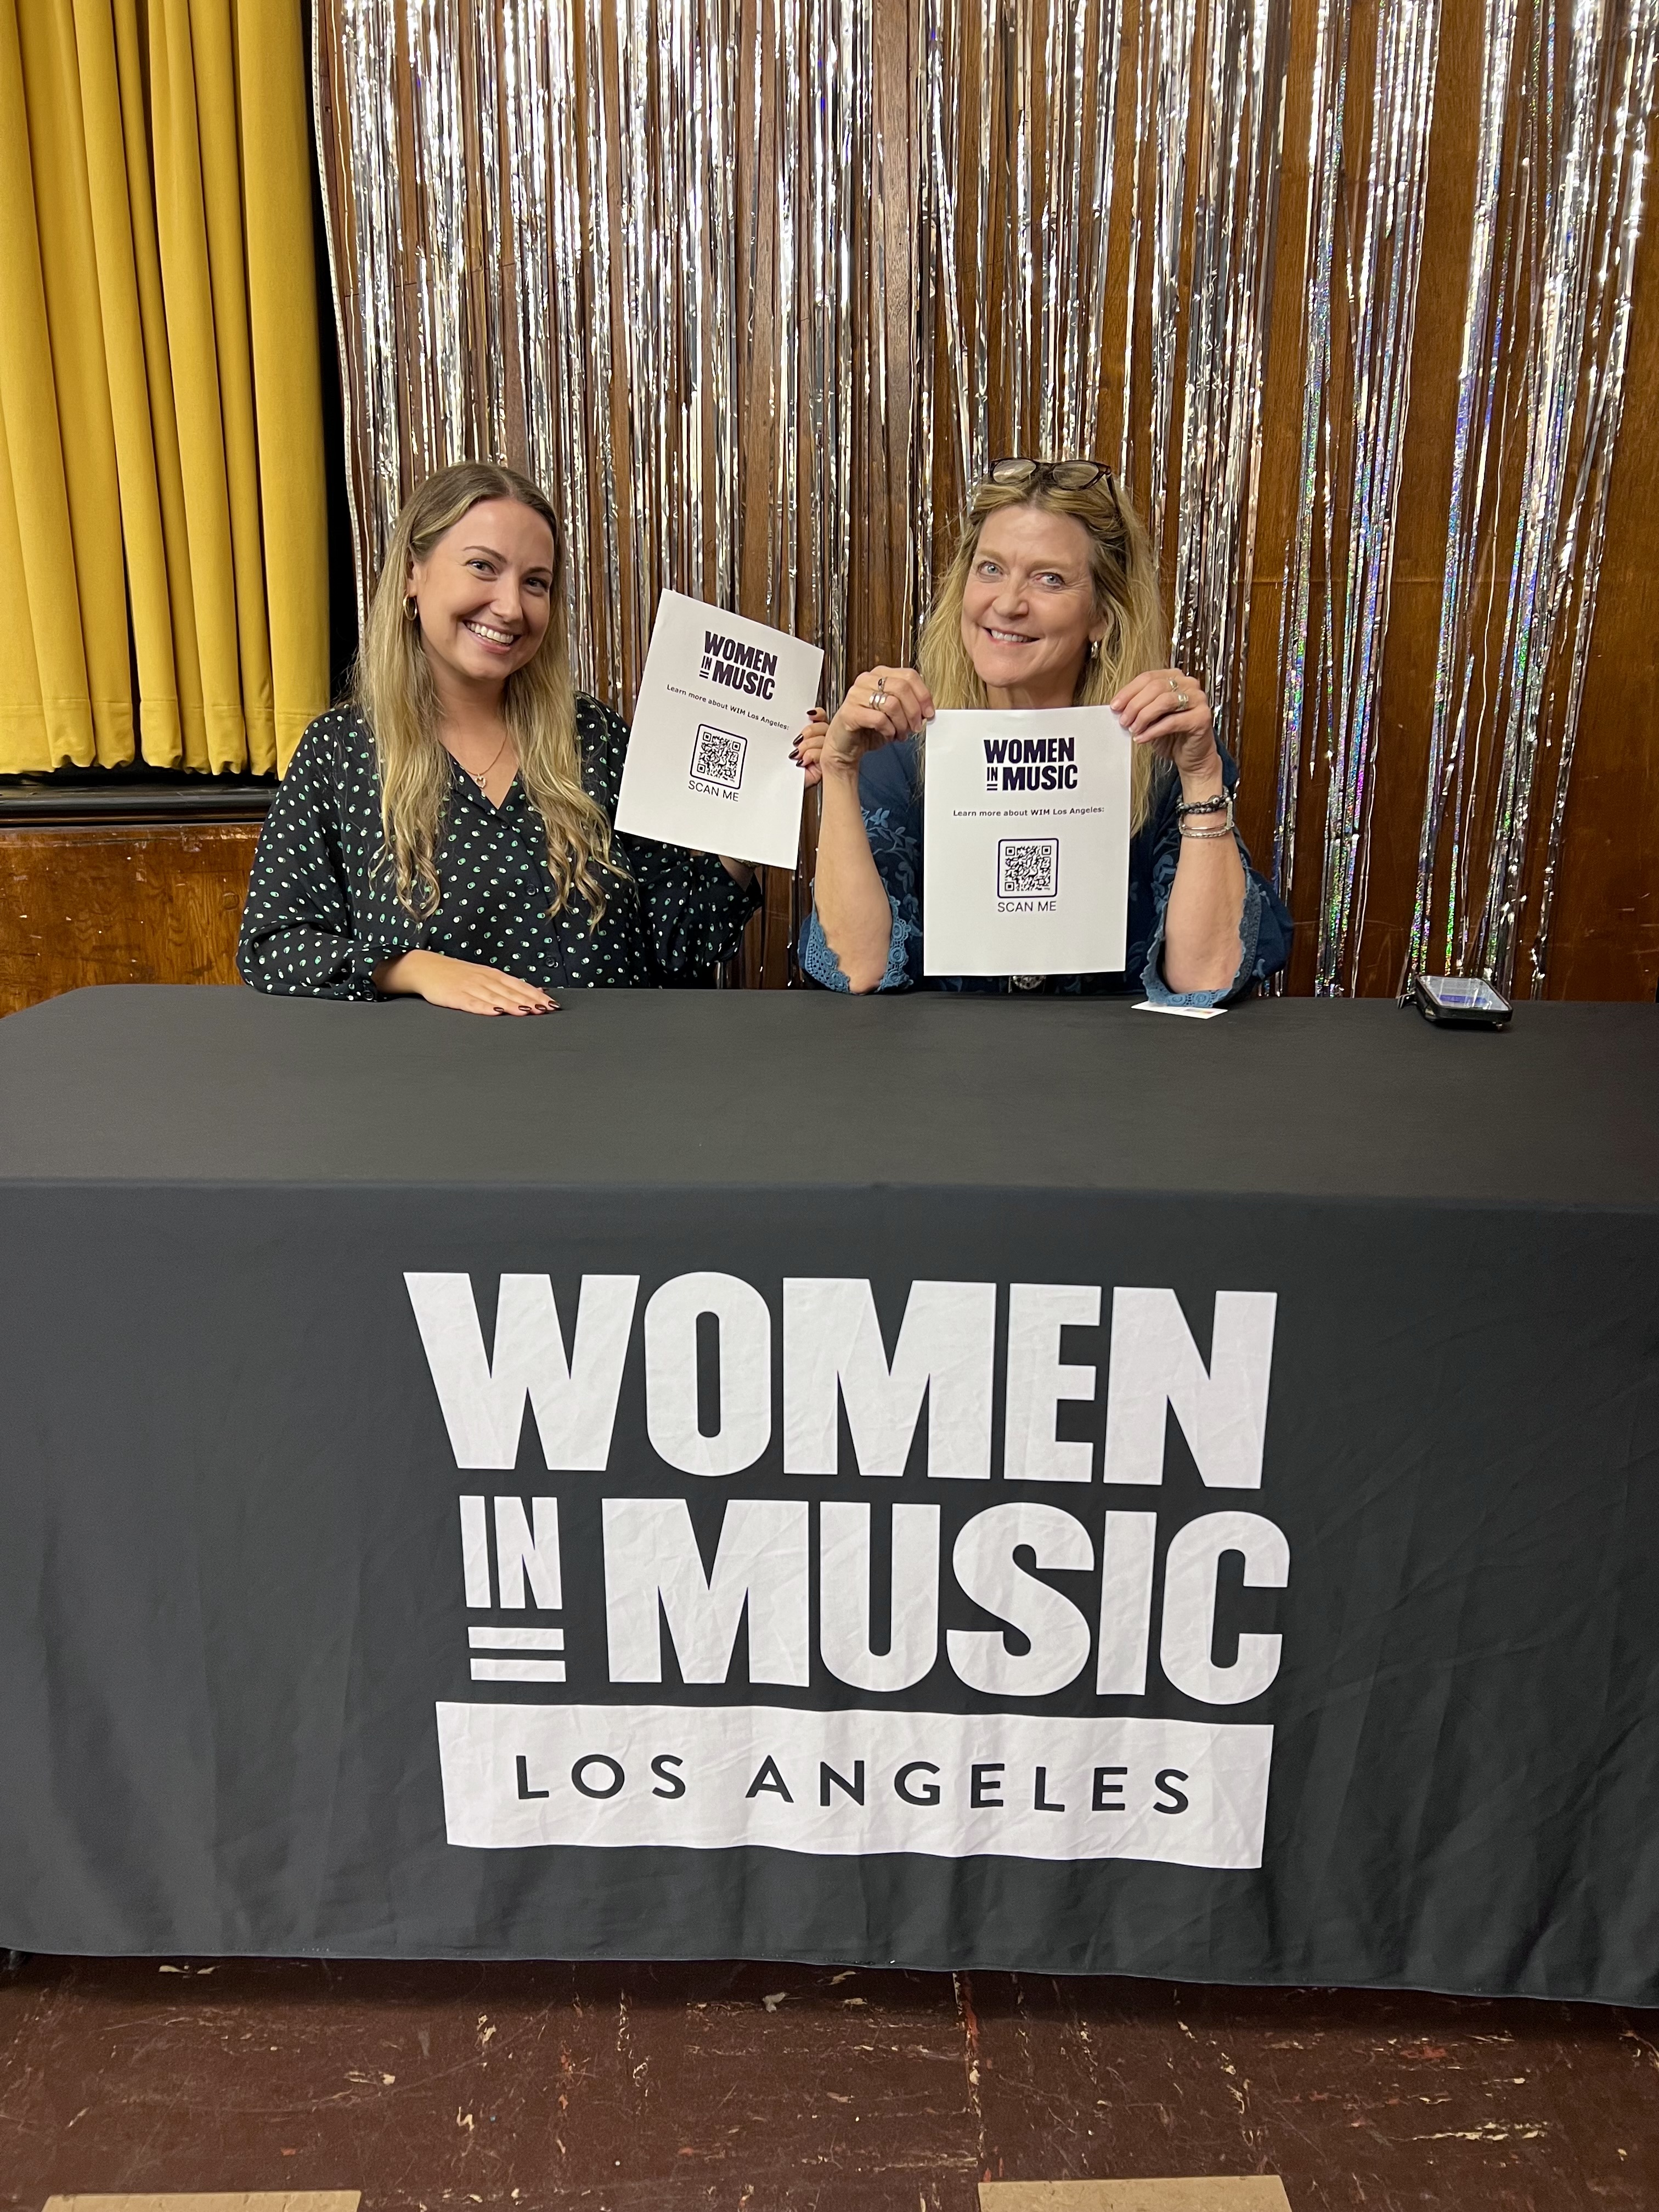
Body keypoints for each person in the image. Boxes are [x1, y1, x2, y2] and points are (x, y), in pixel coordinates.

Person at [238, 462, 759, 1012]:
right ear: (413, 574)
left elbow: (681, 945)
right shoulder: (338, 751)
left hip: (611, 1082)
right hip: (433, 1087)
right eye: (483, 567)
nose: (511, 607)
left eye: (535, 583)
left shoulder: (597, 736)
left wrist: (752, 825)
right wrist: (416, 969)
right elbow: (274, 946)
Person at [795, 458, 1291, 1001]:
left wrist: (1201, 776)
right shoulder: (901, 749)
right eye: (990, 569)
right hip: (939, 1074)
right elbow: (856, 971)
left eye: (1049, 578)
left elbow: (1207, 979)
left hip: (1122, 1075)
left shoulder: (1162, 748)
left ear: (1104, 612)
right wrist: (841, 771)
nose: (1007, 604)